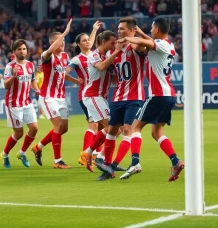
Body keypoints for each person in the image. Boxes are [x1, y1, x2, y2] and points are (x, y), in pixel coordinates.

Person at [116, 17, 184, 181]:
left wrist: (127, 37)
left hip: (158, 95)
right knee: (156, 132)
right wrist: (139, 32)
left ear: (158, 29)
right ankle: (175, 161)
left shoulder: (159, 45)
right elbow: (149, 41)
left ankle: (135, 162)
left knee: (135, 127)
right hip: (169, 95)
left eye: (152, 28)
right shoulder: (170, 45)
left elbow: (147, 43)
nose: (151, 30)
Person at [95, 17, 148, 181]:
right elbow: (110, 72)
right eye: (118, 28)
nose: (119, 31)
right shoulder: (112, 51)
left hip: (134, 96)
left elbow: (147, 44)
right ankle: (108, 166)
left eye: (123, 29)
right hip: (117, 96)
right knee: (111, 131)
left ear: (131, 30)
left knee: (127, 130)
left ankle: (112, 165)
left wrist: (137, 34)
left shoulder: (136, 46)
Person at [31, 19, 80, 169]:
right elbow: (48, 53)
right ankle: (58, 161)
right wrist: (64, 32)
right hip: (48, 97)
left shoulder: (65, 56)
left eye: (64, 40)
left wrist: (77, 81)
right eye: (61, 40)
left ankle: (38, 147)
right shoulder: (47, 56)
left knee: (63, 128)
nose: (63, 43)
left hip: (61, 98)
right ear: (53, 42)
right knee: (58, 125)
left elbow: (63, 74)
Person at [79, 30, 124, 176]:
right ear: (103, 42)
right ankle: (98, 157)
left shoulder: (106, 56)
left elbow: (110, 78)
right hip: (93, 96)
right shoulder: (94, 55)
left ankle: (94, 155)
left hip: (100, 97)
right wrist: (117, 52)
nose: (114, 45)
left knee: (117, 129)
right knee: (114, 128)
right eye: (112, 42)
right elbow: (101, 67)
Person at [66, 21, 101, 164]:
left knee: (99, 125)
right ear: (79, 44)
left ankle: (95, 154)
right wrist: (76, 81)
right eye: (84, 40)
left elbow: (92, 41)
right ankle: (85, 154)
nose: (88, 42)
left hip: (97, 95)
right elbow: (64, 74)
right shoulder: (77, 59)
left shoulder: (94, 54)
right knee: (94, 125)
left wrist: (93, 29)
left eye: (88, 40)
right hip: (86, 95)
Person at [0, 39, 39, 168]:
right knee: (19, 133)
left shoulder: (30, 65)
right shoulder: (10, 66)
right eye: (19, 49)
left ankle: (22, 153)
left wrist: (37, 89)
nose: (22, 51)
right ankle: (5, 154)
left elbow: (32, 80)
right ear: (14, 52)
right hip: (14, 103)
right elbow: (6, 85)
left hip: (26, 102)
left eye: (24, 49)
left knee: (34, 128)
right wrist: (14, 76)